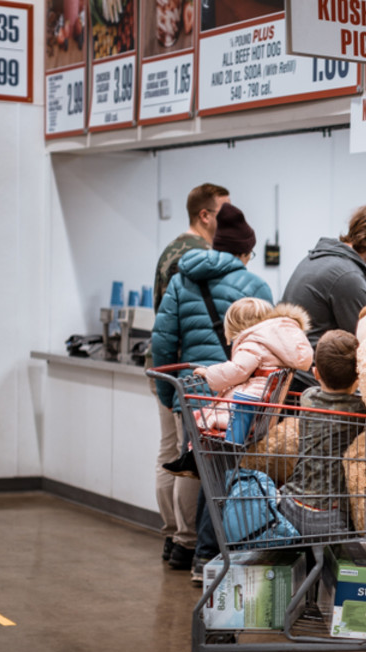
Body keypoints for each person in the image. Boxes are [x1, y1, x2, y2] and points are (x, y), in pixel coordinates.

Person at [151, 202, 273, 572]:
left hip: (191, 388)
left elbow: (162, 340)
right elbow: (264, 343)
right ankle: (205, 553)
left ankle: (180, 546)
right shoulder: (255, 285)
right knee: (217, 473)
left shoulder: (181, 278)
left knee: (187, 465)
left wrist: (170, 393)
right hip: (234, 396)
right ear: (245, 251)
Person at [151, 183, 230, 567]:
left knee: (168, 454)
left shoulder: (171, 250)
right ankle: (185, 541)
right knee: (190, 459)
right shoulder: (200, 257)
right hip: (189, 374)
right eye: (224, 213)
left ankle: (170, 534)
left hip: (164, 369)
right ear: (205, 215)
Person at [281, 203, 366, 389]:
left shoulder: (320, 258)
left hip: (292, 374)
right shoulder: (347, 276)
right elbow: (364, 342)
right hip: (313, 383)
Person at [278, 330, 366, 534]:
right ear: (359, 376)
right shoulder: (362, 410)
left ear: (316, 373)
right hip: (331, 515)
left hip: (292, 505)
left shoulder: (307, 398)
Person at [190, 299, 313, 431]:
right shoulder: (272, 344)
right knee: (206, 415)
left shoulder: (252, 344)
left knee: (204, 420)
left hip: (246, 413)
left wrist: (208, 373)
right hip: (260, 409)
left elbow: (236, 370)